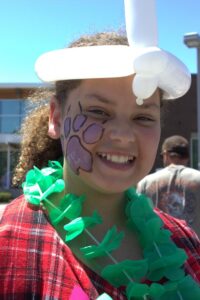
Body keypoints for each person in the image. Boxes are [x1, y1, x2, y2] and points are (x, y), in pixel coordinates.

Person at [0, 1, 200, 299]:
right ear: (56, 118)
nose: (122, 134)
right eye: (98, 112)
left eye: (143, 117)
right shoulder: (10, 241)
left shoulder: (184, 244)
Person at [137, 135, 200, 237]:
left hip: (159, 249)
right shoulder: (198, 178)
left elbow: (138, 218)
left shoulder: (146, 182)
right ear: (187, 156)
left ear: (166, 154)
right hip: (194, 248)